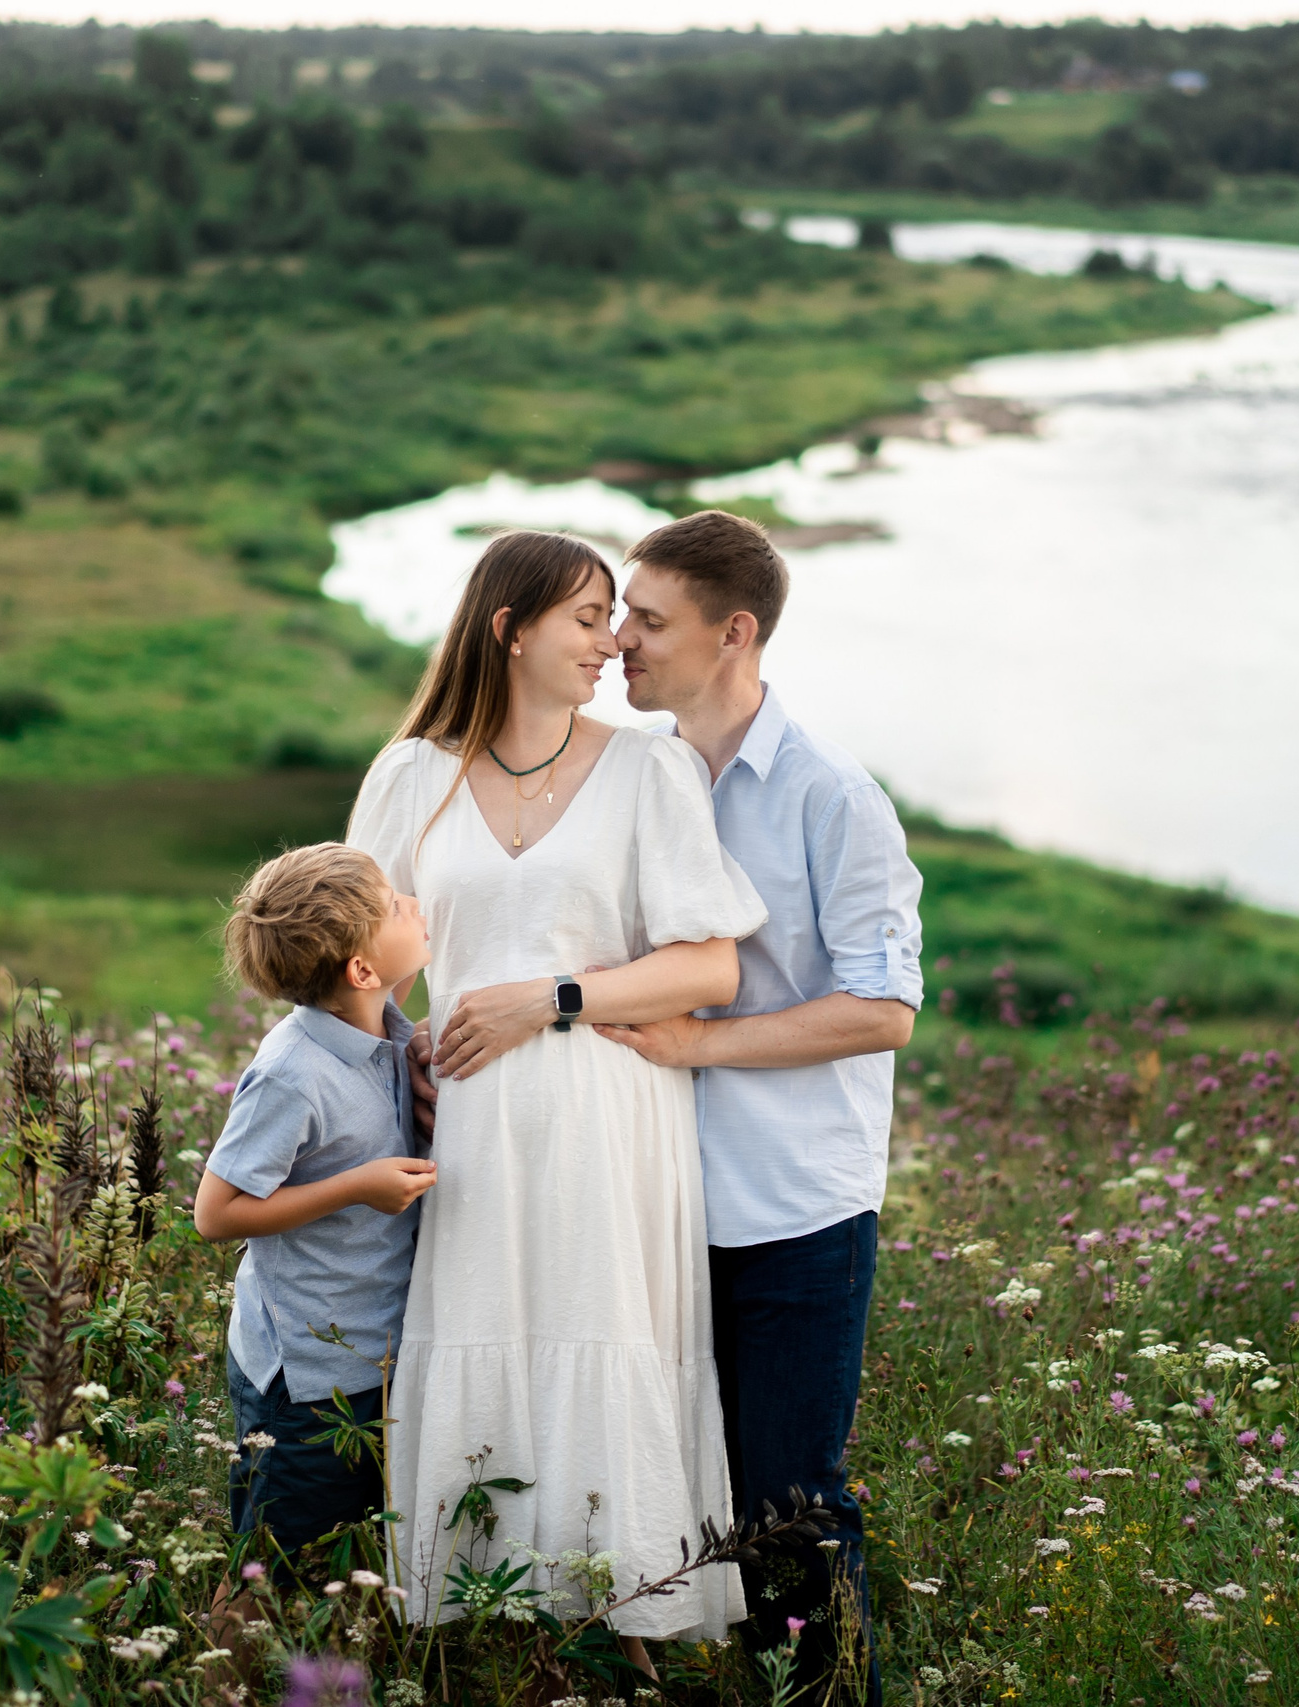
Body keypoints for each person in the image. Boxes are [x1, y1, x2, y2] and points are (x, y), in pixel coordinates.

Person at [347, 529, 766, 1664]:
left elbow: (712, 966)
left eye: (615, 619)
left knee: (599, 1335)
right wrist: (402, 1044)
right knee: (483, 1329)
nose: (610, 643)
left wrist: (552, 995)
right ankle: (490, 1640)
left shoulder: (646, 768)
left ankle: (626, 1633)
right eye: (587, 620)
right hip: (472, 1123)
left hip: (607, 1115)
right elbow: (360, 961)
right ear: (508, 630)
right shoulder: (410, 777)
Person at [595, 509, 924, 1705]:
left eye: (647, 618)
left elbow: (882, 1010)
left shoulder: (833, 796)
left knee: (786, 1501)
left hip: (792, 1208)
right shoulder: (636, 775)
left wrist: (698, 1041)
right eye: (621, 615)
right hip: (655, 1195)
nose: (619, 639)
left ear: (733, 633)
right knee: (661, 1487)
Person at [194, 842, 440, 1567]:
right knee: (280, 1565)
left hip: (368, 1355)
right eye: (397, 906)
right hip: (301, 1381)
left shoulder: (385, 1034)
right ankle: (237, 1669)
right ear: (362, 970)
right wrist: (356, 1185)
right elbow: (216, 1211)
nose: (417, 906)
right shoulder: (293, 1073)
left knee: (355, 1558)